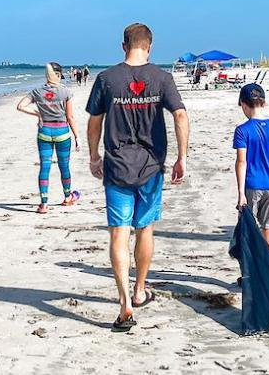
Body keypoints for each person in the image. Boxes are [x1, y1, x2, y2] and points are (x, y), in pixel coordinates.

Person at [87, 23, 190, 332]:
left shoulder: (106, 79)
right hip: (150, 166)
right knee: (145, 229)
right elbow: (181, 115)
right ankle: (139, 289)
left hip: (117, 166)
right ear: (150, 47)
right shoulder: (162, 78)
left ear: (123, 46)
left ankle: (124, 304)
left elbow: (95, 121)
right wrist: (182, 157)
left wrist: (94, 156)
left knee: (119, 233)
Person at [16, 62, 80, 213]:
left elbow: (20, 106)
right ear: (57, 75)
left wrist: (38, 114)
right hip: (62, 133)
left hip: (44, 132)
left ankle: (44, 204)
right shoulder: (65, 92)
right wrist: (77, 137)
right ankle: (67, 197)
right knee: (64, 166)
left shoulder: (37, 92)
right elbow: (70, 117)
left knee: (45, 167)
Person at [233, 83, 269, 252]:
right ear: (263, 103)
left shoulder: (242, 130)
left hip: (252, 185)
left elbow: (241, 162)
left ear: (243, 104)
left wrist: (241, 193)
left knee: (248, 229)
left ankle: (250, 271)